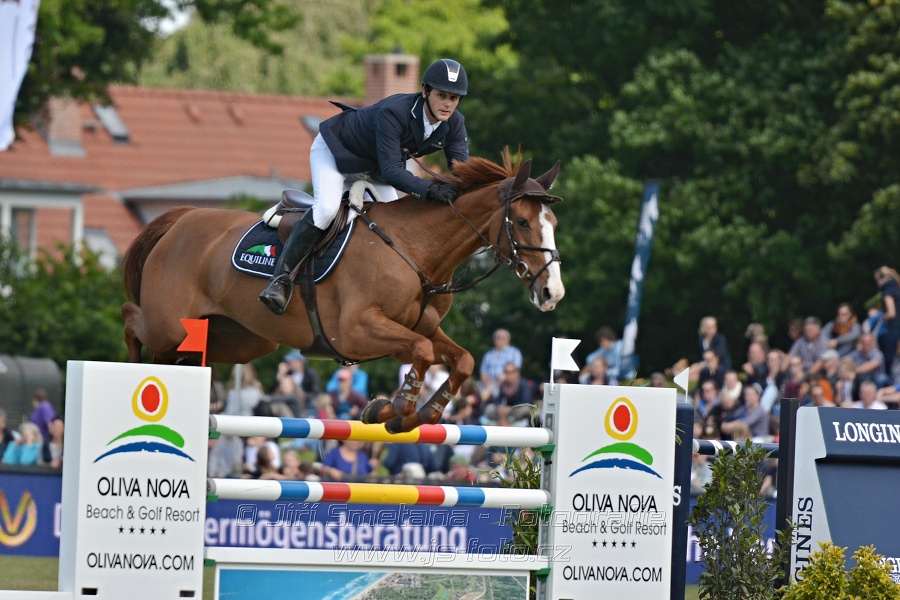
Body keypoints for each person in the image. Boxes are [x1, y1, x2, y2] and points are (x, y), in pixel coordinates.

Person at [259, 58, 470, 314]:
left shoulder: (455, 123)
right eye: (442, 95)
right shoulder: (396, 112)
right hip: (337, 154)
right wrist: (430, 189)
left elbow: (462, 170)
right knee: (326, 209)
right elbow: (393, 171)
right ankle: (279, 281)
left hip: (373, 169)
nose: (448, 104)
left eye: (454, 98)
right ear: (425, 91)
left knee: (400, 222)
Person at [479, 328, 523, 396]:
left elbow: (514, 372)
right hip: (488, 385)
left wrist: (497, 383)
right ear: (494, 340)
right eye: (497, 338)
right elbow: (483, 373)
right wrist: (488, 384)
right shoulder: (488, 355)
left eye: (502, 338)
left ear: (508, 340)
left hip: (506, 384)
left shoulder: (515, 353)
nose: (500, 340)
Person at [874, 267, 900, 373]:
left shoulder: (887, 291)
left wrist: (880, 318)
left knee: (889, 360)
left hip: (893, 329)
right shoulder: (897, 287)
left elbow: (891, 312)